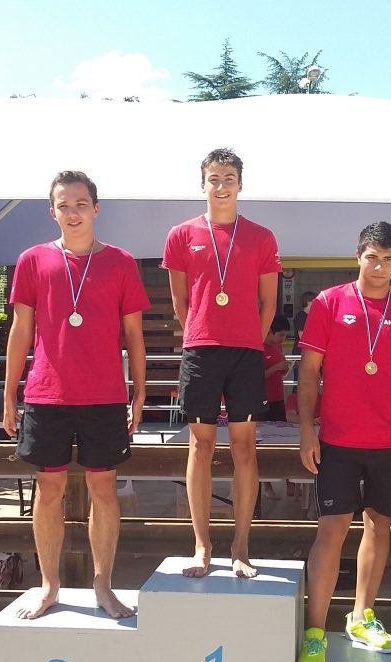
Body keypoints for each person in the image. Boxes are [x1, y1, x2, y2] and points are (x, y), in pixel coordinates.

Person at [3, 170, 148, 621]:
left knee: (104, 489)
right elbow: (20, 330)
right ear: (53, 211)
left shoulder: (122, 262)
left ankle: (103, 585)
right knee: (48, 491)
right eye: (64, 205)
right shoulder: (32, 260)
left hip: (104, 396)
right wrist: (9, 394)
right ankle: (49, 586)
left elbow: (134, 335)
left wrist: (140, 392)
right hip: (47, 394)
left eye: (81, 204)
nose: (72, 212)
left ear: (96, 208)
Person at [295, 221, 391, 662]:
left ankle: (361, 616)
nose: (379, 266)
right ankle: (314, 633)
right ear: (358, 256)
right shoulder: (329, 302)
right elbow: (309, 371)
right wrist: (306, 430)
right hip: (336, 439)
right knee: (331, 531)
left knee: (379, 527)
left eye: (388, 259)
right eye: (372, 257)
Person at [162, 147, 281, 579]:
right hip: (201, 350)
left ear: (240, 184)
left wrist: (251, 335)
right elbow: (180, 300)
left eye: (229, 177)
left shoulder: (262, 237)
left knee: (245, 448)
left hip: (246, 352)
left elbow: (268, 302)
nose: (221, 185)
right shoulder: (181, 234)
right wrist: (198, 329)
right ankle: (202, 544)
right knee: (200, 446)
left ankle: (241, 545)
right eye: (214, 178)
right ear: (202, 183)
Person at [262, 314, 292, 422]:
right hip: (263, 399)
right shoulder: (258, 348)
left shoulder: (277, 346)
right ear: (269, 331)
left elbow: (282, 374)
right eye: (280, 335)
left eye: (285, 336)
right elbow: (254, 377)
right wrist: (276, 368)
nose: (283, 339)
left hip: (278, 397)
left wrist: (285, 368)